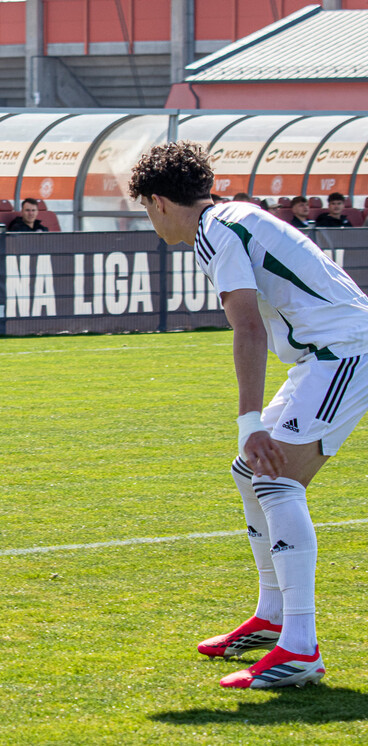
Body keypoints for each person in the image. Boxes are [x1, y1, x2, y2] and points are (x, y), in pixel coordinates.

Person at [128, 140, 368, 689]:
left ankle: (300, 648)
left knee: (275, 479)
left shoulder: (215, 233)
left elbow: (249, 328)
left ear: (160, 202)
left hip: (345, 353)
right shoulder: (229, 217)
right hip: (329, 354)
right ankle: (273, 616)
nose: (150, 220)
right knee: (250, 473)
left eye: (145, 208)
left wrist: (249, 422)